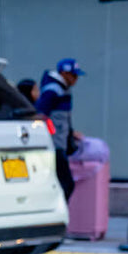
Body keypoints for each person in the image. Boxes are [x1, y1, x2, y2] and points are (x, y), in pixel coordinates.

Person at [36, 57, 85, 201]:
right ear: (64, 73)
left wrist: (70, 133)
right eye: (73, 75)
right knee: (66, 184)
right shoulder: (53, 90)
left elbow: (63, 118)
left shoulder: (64, 90)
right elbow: (41, 115)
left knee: (63, 183)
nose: (76, 79)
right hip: (54, 145)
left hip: (60, 143)